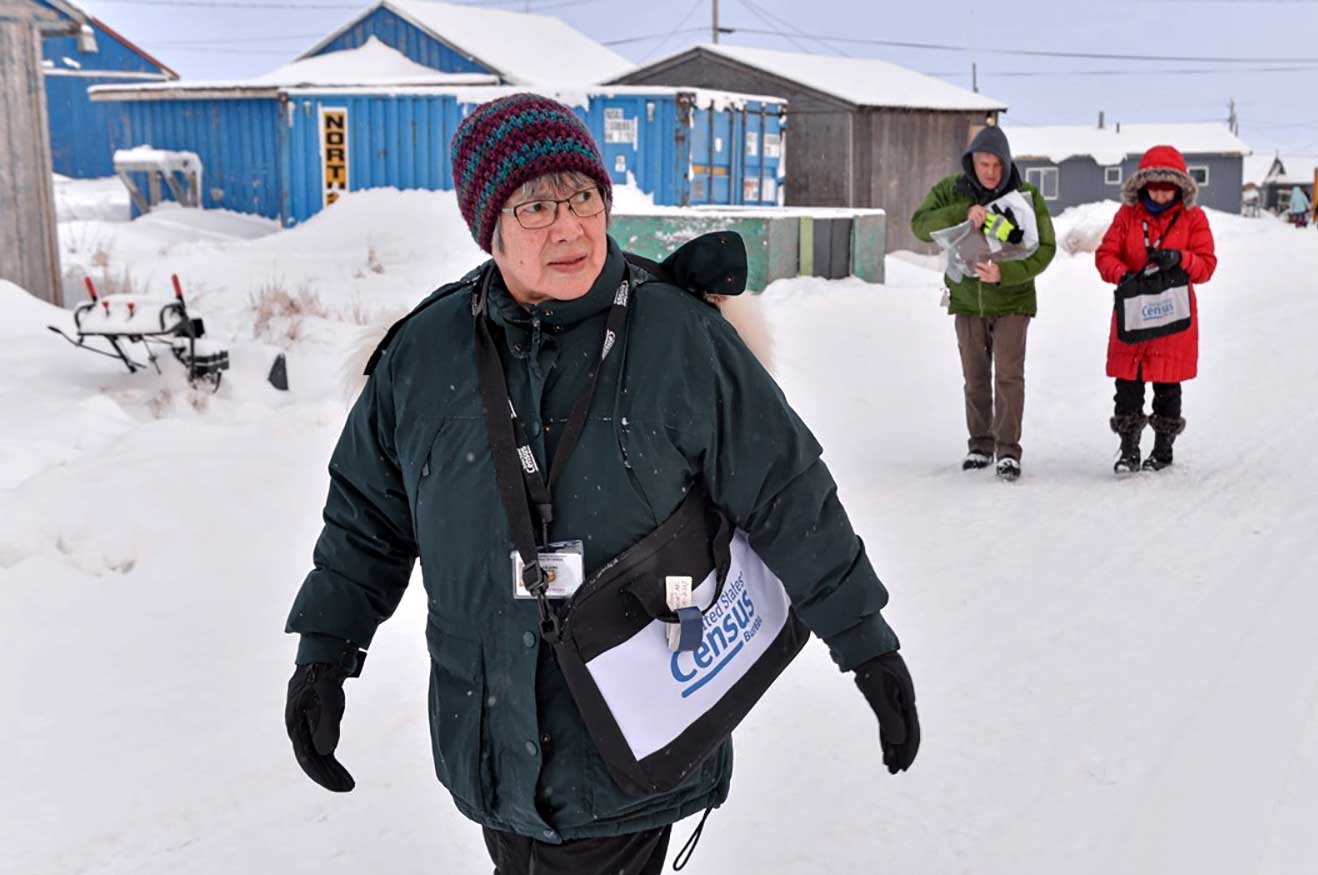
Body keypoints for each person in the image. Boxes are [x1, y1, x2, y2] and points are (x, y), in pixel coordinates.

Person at [284, 93, 920, 875]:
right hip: (487, 735)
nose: (569, 225)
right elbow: (366, 523)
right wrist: (326, 652)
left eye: (583, 196)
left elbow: (788, 492)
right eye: (536, 204)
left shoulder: (680, 339)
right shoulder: (424, 356)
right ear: (488, 225)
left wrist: (866, 644)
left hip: (630, 734)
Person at [911, 125, 1057, 481]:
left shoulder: (1026, 197)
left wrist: (1003, 275)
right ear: (971, 163)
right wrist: (963, 213)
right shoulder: (952, 191)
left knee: (1008, 376)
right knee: (975, 378)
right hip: (967, 301)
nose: (990, 172)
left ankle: (1008, 451)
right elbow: (919, 224)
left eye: (996, 165)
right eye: (982, 164)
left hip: (1013, 300)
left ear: (1006, 164)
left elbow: (1046, 249)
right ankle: (980, 444)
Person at [1095, 145, 1217, 473]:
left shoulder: (1194, 219)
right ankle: (1128, 451)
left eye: (1168, 187)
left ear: (1180, 187)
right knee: (1128, 385)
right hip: (1133, 311)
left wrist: (1181, 259)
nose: (1161, 194)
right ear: (1143, 185)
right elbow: (1105, 255)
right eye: (1155, 186)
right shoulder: (1126, 216)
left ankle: (1162, 452)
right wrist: (1124, 275)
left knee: (1167, 384)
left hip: (1173, 317)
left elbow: (1207, 266)